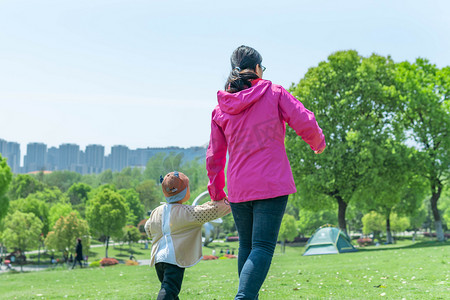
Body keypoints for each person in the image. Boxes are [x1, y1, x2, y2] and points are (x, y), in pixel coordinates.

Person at [206, 45, 326, 299]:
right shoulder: (274, 93)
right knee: (261, 247)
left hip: (239, 189)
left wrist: (217, 191)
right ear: (258, 68)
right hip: (271, 184)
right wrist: (318, 144)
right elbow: (305, 120)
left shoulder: (221, 109)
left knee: (247, 246)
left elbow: (214, 156)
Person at [145, 171, 230, 300]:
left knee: (171, 292)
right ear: (185, 192)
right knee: (169, 290)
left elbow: (148, 228)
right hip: (174, 259)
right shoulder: (188, 213)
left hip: (158, 259)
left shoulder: (157, 211)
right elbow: (216, 210)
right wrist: (231, 199)